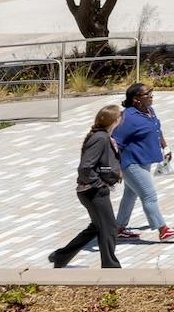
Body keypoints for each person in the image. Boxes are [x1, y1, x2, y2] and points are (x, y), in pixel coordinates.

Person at [49, 105, 126, 270]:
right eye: (120, 116)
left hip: (94, 190)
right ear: (114, 120)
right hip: (93, 191)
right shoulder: (101, 138)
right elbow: (85, 167)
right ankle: (111, 267)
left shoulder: (103, 136)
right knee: (109, 227)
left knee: (96, 227)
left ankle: (60, 257)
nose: (121, 118)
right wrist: (98, 183)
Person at [112, 82, 174, 243]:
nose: (151, 96)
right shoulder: (127, 118)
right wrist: (116, 168)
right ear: (136, 100)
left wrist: (166, 147)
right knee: (149, 195)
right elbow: (115, 142)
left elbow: (157, 129)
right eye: (147, 94)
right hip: (130, 163)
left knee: (130, 194)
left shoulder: (149, 111)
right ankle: (163, 230)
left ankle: (118, 229)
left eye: (152, 93)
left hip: (144, 159)